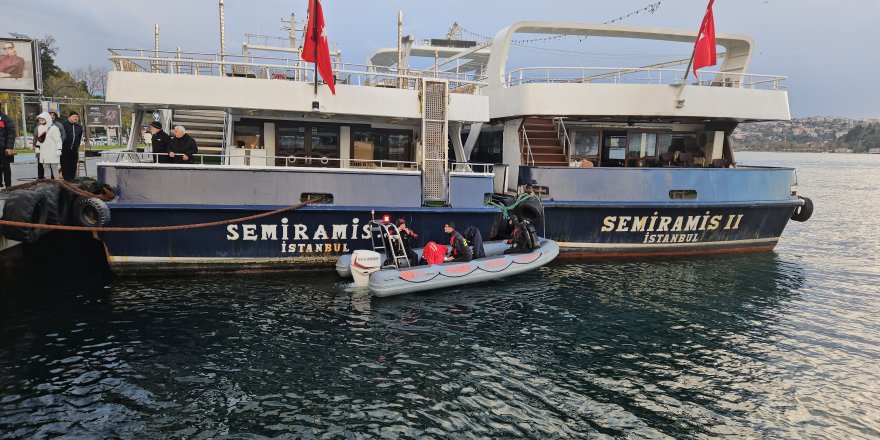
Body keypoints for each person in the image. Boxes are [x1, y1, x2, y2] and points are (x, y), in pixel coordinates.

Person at [35, 112, 62, 179]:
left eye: (42, 120)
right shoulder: (40, 127)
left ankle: (57, 181)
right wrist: (37, 147)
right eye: (39, 120)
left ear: (47, 119)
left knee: (54, 166)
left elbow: (58, 140)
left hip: (52, 150)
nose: (40, 121)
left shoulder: (54, 128)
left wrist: (58, 149)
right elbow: (40, 138)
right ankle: (48, 180)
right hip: (44, 150)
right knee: (45, 166)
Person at [60, 112, 83, 181]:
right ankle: (66, 178)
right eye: (74, 116)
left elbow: (79, 137)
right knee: (65, 163)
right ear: (69, 117)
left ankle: (72, 178)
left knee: (73, 164)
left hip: (74, 148)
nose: (75, 118)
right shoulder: (63, 124)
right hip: (64, 148)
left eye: (77, 116)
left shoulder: (79, 127)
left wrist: (77, 146)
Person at [0, 111, 15, 188]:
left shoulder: (6, 119)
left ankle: (8, 185)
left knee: (5, 167)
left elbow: (11, 134)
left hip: (3, 148)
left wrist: (9, 147)